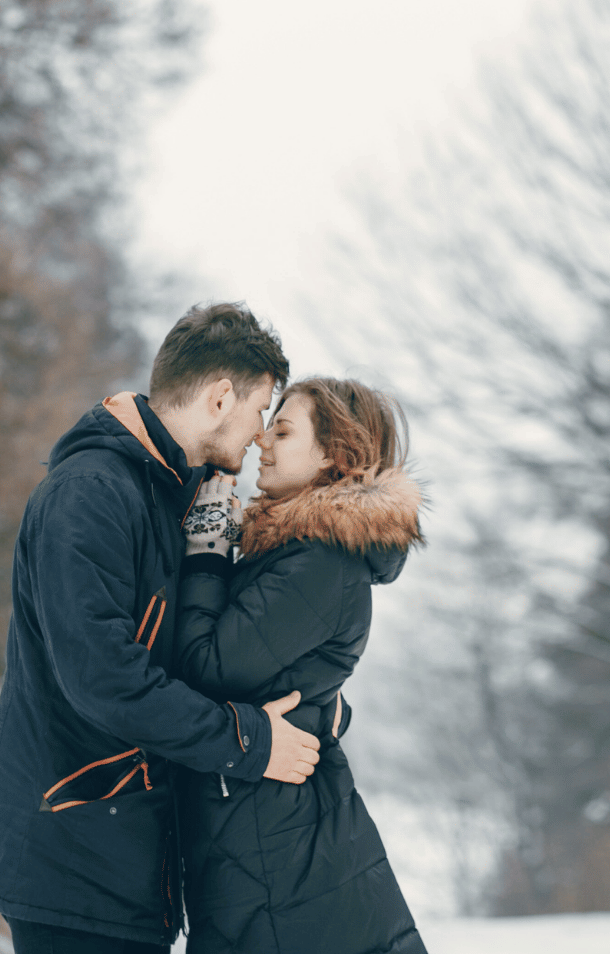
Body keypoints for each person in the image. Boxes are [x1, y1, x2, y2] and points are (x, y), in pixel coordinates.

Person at [0, 303, 328, 954]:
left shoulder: (168, 499)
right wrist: (246, 742)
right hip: (72, 860)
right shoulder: (90, 493)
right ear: (221, 398)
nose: (258, 437)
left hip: (120, 864)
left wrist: (313, 705)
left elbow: (197, 659)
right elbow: (103, 678)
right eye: (259, 411)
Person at [176, 377, 427, 954]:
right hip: (267, 837)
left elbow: (204, 666)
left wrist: (207, 545)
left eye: (283, 431)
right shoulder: (295, 552)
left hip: (279, 860)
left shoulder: (321, 562)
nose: (262, 441)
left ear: (334, 456)